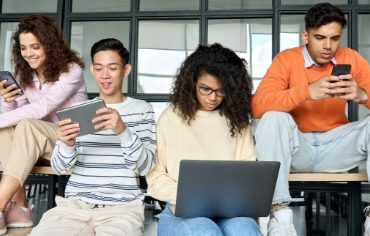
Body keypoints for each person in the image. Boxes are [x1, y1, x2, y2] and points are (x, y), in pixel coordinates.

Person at [251, 3, 370, 236]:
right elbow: (257, 107)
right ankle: (280, 214)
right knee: (273, 117)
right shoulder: (286, 59)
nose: (328, 46)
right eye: (320, 37)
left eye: (335, 38)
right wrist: (306, 92)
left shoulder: (351, 58)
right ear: (305, 36)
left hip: (337, 147)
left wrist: (363, 96)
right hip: (298, 148)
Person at [28, 38, 157, 236]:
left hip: (122, 210)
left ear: (126, 69)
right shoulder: (76, 112)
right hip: (73, 207)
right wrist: (67, 144)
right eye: (98, 68)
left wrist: (123, 131)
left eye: (112, 68)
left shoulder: (142, 110)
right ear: (92, 70)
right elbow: (61, 168)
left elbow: (145, 167)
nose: (104, 75)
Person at [146, 43, 262, 236]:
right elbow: (156, 179)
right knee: (205, 232)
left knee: (246, 231)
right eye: (205, 89)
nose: (213, 98)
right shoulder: (171, 118)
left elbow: (246, 174)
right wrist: (193, 196)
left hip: (230, 213)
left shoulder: (238, 121)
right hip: (180, 212)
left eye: (221, 90)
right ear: (192, 82)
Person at [0, 15, 87, 235]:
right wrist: (8, 102)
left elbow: (41, 110)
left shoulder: (71, 71)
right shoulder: (25, 74)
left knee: (27, 124)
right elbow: (17, 114)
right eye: (23, 48)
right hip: (39, 143)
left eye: (35, 47)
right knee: (5, 131)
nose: (28, 53)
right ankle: (20, 208)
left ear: (49, 44)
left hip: (71, 142)